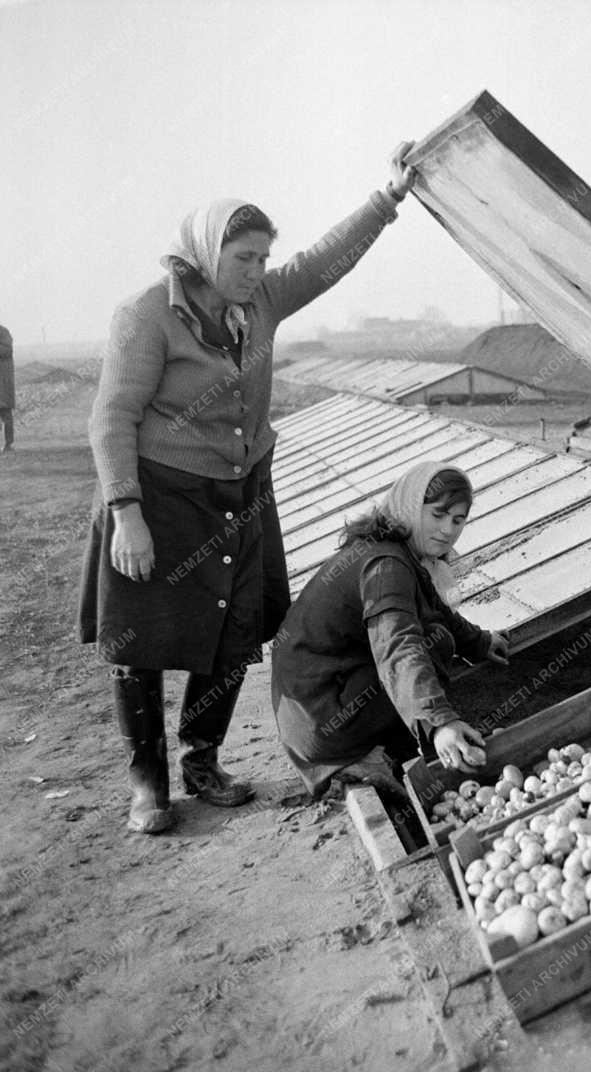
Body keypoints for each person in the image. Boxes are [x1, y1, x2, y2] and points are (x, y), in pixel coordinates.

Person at [79, 143, 416, 834]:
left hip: (239, 493)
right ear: (205, 253)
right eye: (244, 258)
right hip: (159, 495)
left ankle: (202, 761)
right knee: (140, 640)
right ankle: (149, 783)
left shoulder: (261, 301)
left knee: (233, 632)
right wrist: (127, 514)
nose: (257, 272)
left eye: (264, 258)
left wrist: (387, 199)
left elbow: (323, 260)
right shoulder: (146, 314)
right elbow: (110, 417)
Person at [271, 460, 510, 800]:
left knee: (438, 634)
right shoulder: (386, 566)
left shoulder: (393, 548)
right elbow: (398, 645)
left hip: (316, 703)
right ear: (412, 506)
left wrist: (478, 641)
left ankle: (382, 742)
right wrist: (440, 722)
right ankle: (358, 759)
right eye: (438, 515)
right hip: (321, 718)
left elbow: (431, 607)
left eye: (458, 520)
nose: (448, 530)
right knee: (435, 644)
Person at [0, 322, 13, 453]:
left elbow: (7, 350)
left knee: (6, 415)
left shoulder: (3, 332)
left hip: (3, 385)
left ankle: (8, 444)